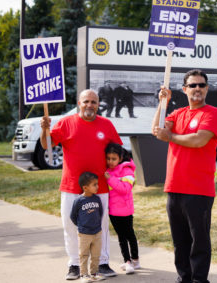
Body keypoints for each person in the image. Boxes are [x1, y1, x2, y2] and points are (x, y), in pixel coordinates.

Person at [40, 89, 122, 280]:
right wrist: (45, 130)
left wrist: (120, 172)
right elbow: (47, 145)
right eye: (86, 101)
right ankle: (75, 265)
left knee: (100, 226)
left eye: (94, 102)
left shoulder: (106, 124)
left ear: (98, 104)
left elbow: (117, 151)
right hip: (71, 186)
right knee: (70, 225)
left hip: (99, 186)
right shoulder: (66, 123)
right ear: (79, 103)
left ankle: (102, 263)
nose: (90, 105)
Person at [152, 69, 217, 283]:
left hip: (199, 189)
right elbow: (156, 129)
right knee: (180, 242)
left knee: (199, 242)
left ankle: (199, 280)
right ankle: (183, 278)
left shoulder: (213, 113)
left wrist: (171, 136)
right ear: (185, 90)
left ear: (207, 88)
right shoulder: (177, 113)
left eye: (201, 85)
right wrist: (162, 103)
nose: (197, 89)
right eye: (193, 85)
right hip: (174, 187)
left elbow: (198, 140)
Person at [104, 143, 141, 274]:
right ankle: (127, 261)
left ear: (120, 158)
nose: (110, 162)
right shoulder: (107, 171)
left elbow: (125, 189)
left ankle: (135, 260)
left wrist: (111, 179)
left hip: (125, 210)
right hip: (113, 211)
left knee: (130, 235)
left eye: (113, 159)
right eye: (108, 159)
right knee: (121, 237)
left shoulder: (127, 170)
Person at [70, 172, 105, 283]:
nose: (97, 186)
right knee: (84, 254)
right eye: (94, 185)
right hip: (84, 233)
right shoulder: (79, 201)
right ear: (85, 187)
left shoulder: (97, 199)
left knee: (96, 254)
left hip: (97, 232)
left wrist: (97, 225)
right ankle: (84, 275)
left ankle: (94, 273)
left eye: (97, 184)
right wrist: (81, 226)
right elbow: (73, 216)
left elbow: (100, 213)